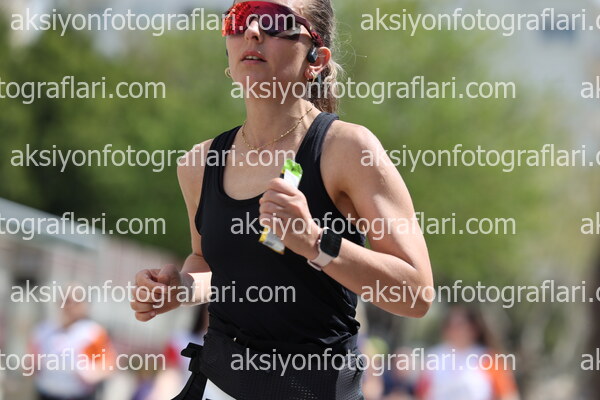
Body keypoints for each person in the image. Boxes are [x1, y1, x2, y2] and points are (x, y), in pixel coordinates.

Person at [130, 1, 433, 398]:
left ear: (316, 59)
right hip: (219, 386)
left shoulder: (348, 149)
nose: (253, 30)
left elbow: (416, 294)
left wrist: (316, 243)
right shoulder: (199, 163)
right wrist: (180, 288)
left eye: (276, 20)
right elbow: (210, 266)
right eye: (240, 18)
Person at [415, 305, 519, 400]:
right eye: (452, 325)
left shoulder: (488, 358)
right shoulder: (434, 357)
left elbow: (507, 395)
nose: (456, 330)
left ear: (474, 329)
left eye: (461, 325)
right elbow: (421, 394)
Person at [29, 290, 115, 400]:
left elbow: (109, 365)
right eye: (67, 301)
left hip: (78, 395)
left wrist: (91, 373)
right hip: (46, 393)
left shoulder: (93, 332)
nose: (70, 306)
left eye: (76, 302)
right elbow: (30, 361)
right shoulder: (43, 330)